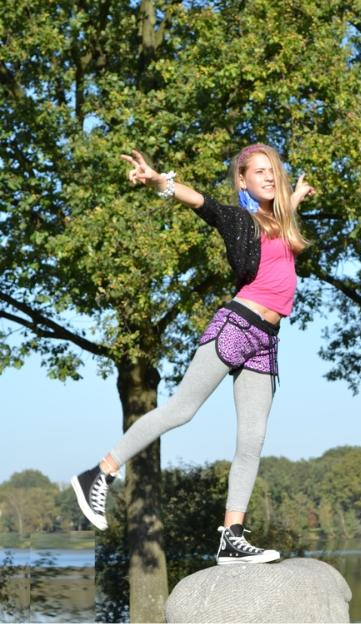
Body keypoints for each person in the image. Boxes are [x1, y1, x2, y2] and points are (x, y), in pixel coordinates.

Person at [71, 144, 315, 564]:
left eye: (273, 171)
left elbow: (282, 225)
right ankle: (100, 472)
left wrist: (295, 197)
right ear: (242, 181)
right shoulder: (239, 219)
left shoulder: (281, 224)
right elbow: (201, 202)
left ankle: (231, 537)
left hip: (266, 340)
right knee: (182, 409)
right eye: (258, 171)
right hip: (237, 326)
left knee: (252, 438)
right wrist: (158, 182)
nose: (268, 177)